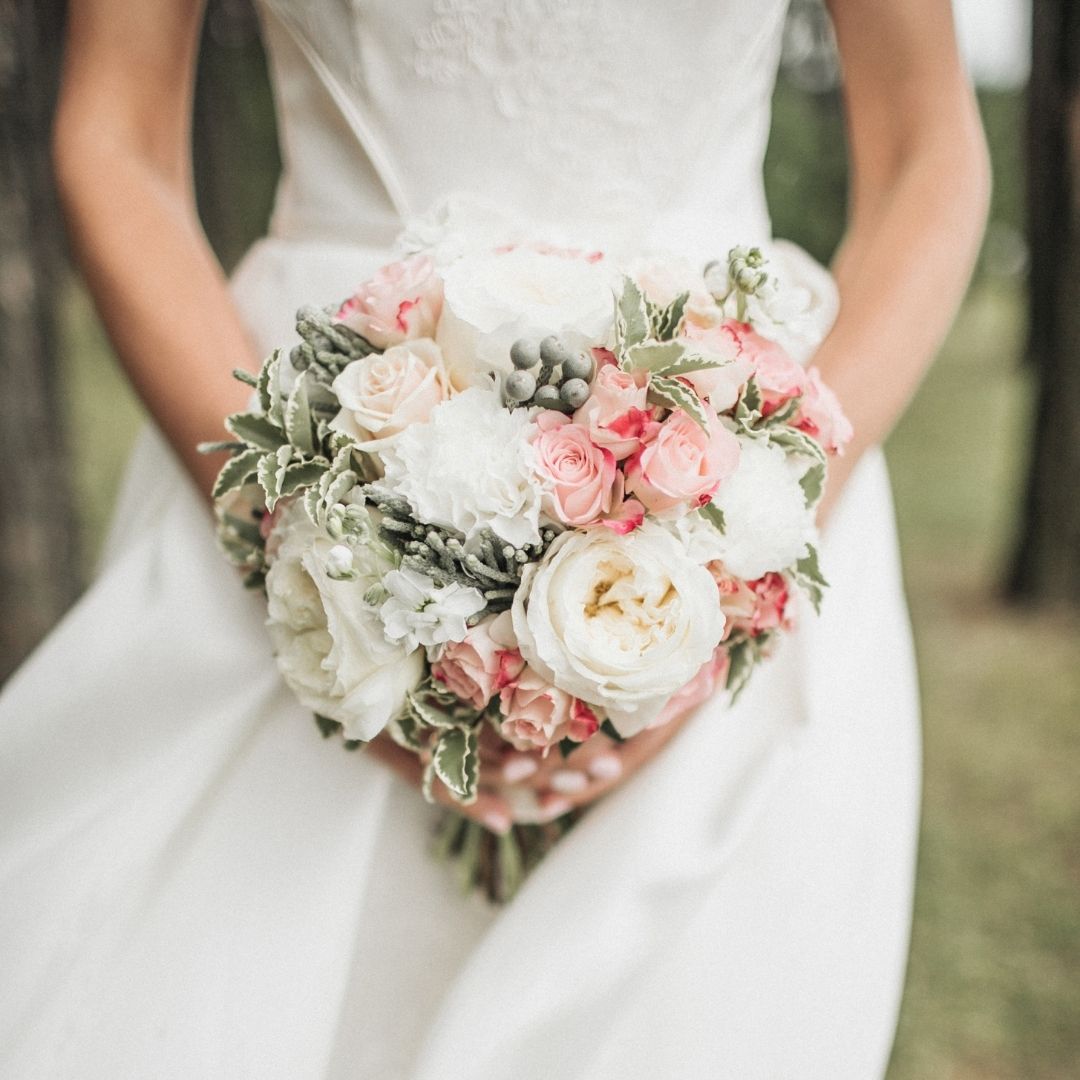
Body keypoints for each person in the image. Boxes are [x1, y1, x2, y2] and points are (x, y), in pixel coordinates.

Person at [0, 1, 988, 1077]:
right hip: (317, 413)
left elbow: (925, 152)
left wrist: (739, 541)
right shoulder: (307, 526)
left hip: (728, 440)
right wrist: (309, 551)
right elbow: (117, 137)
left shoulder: (741, 514)